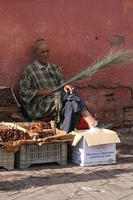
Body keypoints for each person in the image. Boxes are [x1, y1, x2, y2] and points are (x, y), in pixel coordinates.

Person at [19, 39, 98, 133]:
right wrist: (42, 91)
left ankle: (66, 134)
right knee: (68, 95)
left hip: (58, 100)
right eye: (42, 52)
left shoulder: (55, 68)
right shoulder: (30, 70)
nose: (45, 54)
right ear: (36, 53)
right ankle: (87, 116)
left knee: (70, 103)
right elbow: (23, 92)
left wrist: (66, 86)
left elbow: (62, 83)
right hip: (41, 105)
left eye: (47, 51)